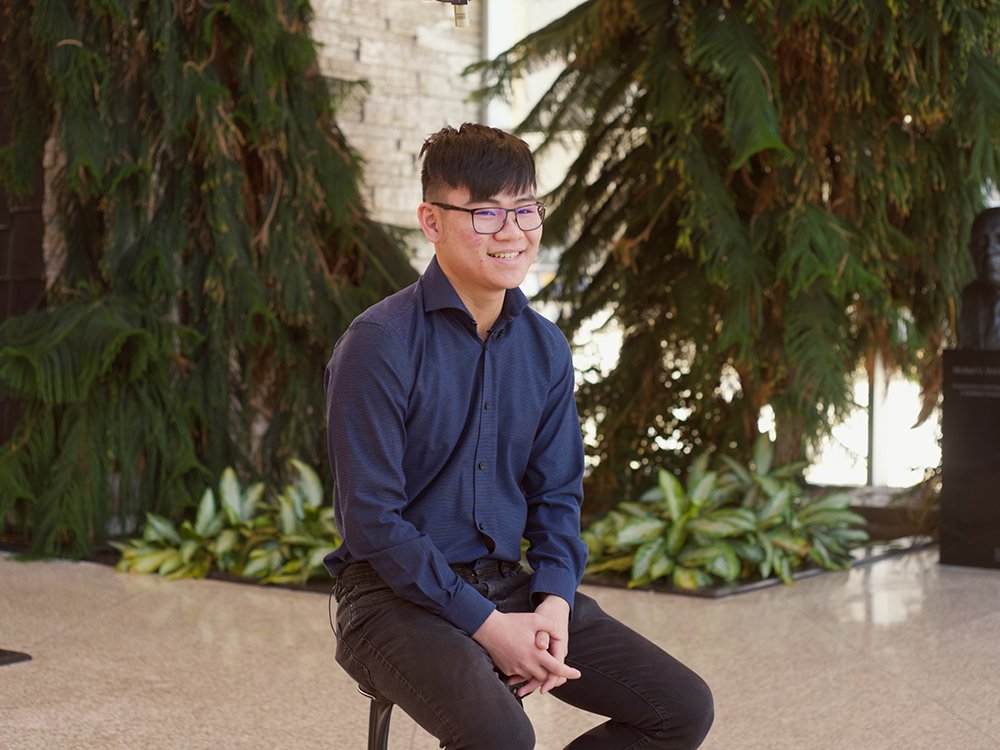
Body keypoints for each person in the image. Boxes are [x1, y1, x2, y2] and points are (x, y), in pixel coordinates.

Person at [324, 123, 714, 749]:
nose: (513, 231)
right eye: (484, 213)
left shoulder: (544, 347)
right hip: (389, 599)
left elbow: (557, 494)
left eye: (525, 208)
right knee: (503, 739)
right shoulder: (379, 343)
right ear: (432, 220)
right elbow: (372, 522)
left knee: (680, 708)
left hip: (511, 585)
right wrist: (487, 627)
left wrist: (554, 599)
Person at [958, 207, 1000, 349]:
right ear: (971, 252)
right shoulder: (970, 298)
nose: (989, 250)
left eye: (999, 239)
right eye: (981, 243)